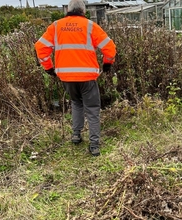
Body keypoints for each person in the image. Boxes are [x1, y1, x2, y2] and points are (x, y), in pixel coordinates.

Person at [35, 0, 116, 156]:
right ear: (83, 11)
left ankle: (76, 135)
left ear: (68, 10)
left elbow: (40, 47)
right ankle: (94, 144)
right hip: (87, 76)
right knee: (92, 109)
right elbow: (110, 48)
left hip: (66, 76)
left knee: (76, 103)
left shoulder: (56, 26)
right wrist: (107, 64)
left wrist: (49, 68)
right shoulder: (90, 26)